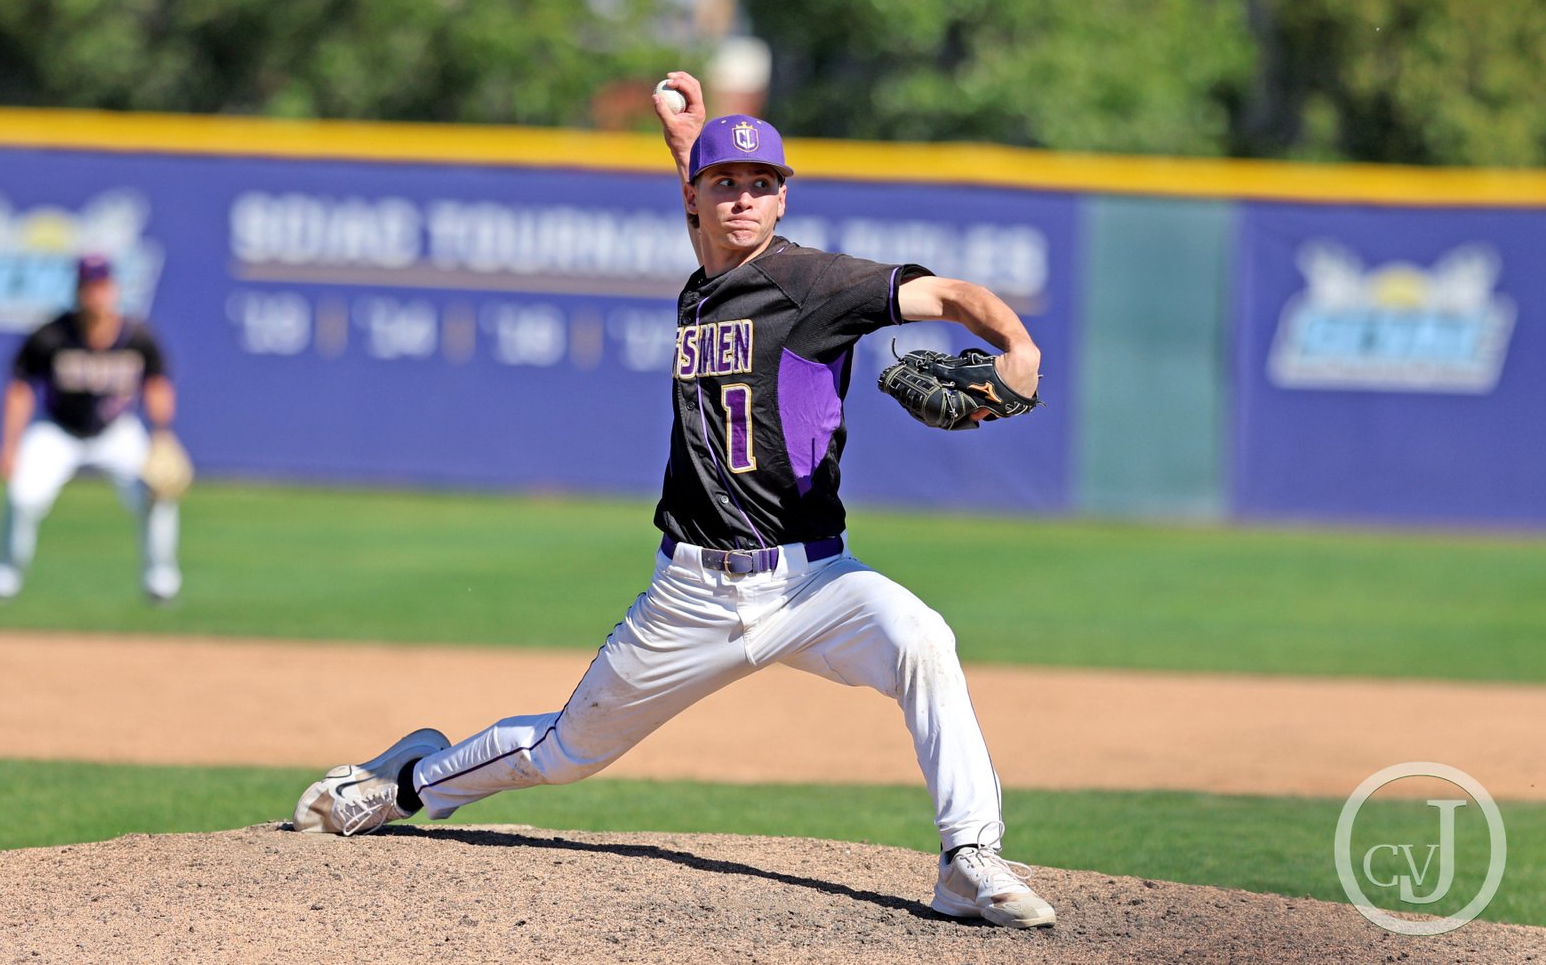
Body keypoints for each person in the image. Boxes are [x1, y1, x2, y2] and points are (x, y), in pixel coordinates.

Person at [293, 72, 1055, 929]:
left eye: (761, 183)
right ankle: (399, 783)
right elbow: (710, 219)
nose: (743, 198)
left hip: (814, 582)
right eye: (725, 183)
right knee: (564, 752)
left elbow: (950, 295)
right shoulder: (705, 281)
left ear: (783, 198)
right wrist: (685, 145)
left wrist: (1017, 346)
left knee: (923, 639)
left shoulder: (814, 282)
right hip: (691, 592)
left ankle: (968, 858)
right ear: (696, 198)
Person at [0, 253, 183, 605]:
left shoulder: (137, 336)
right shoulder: (52, 335)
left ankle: (161, 579)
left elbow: (157, 383)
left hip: (117, 431)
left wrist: (162, 434)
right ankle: (4, 576)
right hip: (58, 430)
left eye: (102, 286)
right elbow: (20, 389)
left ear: (114, 289)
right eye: (89, 287)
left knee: (157, 492)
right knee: (22, 495)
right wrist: (9, 446)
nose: (96, 295)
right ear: (77, 291)